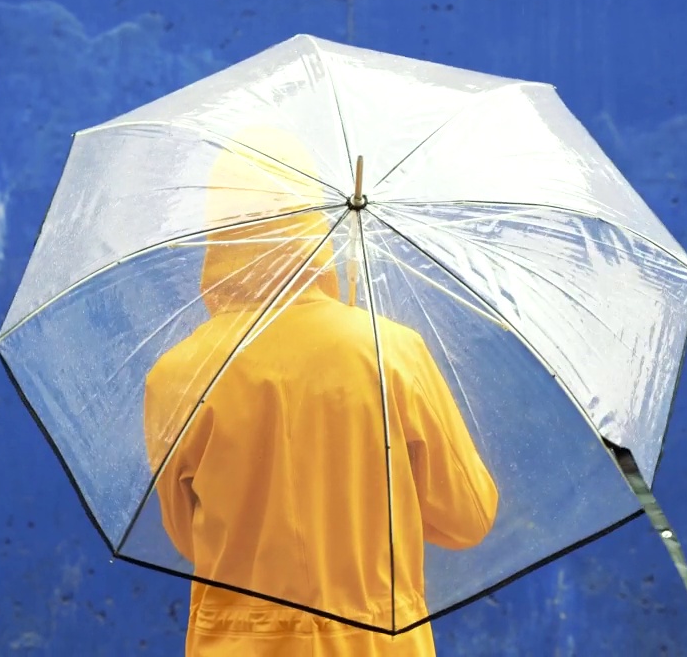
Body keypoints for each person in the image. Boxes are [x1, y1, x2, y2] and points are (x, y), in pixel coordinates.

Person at [143, 126, 499, 657]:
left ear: (218, 236)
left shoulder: (176, 375)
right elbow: (465, 518)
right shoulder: (390, 353)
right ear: (313, 227)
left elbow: (190, 539)